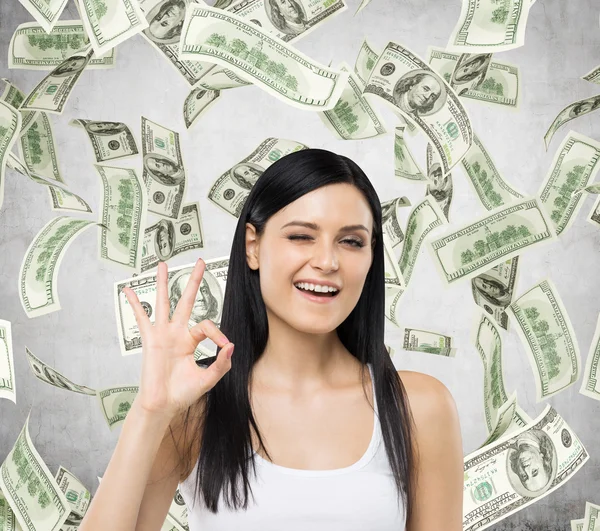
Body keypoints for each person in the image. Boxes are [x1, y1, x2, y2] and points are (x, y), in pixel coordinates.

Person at [79, 148, 463, 531]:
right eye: (301, 236)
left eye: (351, 242)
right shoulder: (195, 410)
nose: (327, 262)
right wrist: (149, 413)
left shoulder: (420, 407)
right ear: (253, 246)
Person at [507, 430, 556, 496]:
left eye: (524, 476)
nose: (526, 469)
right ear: (543, 457)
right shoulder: (537, 433)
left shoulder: (509, 443)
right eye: (534, 471)